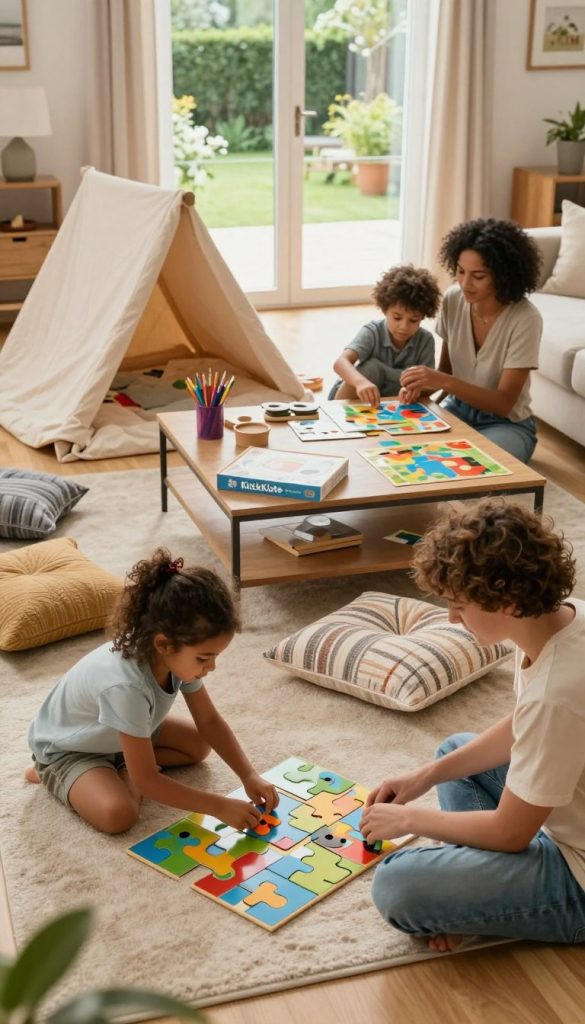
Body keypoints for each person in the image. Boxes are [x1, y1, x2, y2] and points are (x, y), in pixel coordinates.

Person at [361, 498, 585, 950]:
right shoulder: (568, 617)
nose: (450, 618)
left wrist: (409, 818)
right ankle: (487, 894)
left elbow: (509, 832)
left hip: (578, 877)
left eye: (458, 606)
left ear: (505, 599)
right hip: (566, 817)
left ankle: (492, 902)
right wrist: (424, 777)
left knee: (396, 886)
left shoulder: (557, 695)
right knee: (452, 753)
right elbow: (524, 723)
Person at [25, 548, 278, 834]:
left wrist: (249, 774)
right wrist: (218, 805)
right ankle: (60, 775)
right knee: (119, 815)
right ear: (163, 644)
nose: (212, 666)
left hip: (121, 730)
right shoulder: (126, 686)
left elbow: (208, 721)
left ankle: (126, 763)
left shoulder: (176, 658)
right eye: (205, 658)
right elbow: (148, 783)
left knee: (197, 745)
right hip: (69, 750)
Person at [399, 218, 543, 463]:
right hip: (458, 411)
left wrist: (441, 380)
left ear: (503, 275)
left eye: (478, 276)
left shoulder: (525, 319)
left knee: (472, 463)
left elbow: (503, 403)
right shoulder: (454, 299)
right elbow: (446, 372)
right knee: (404, 450)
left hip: (507, 424)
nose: (465, 283)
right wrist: (418, 386)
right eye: (460, 271)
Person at [328, 264, 441, 407]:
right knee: (372, 368)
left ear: (423, 317)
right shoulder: (373, 331)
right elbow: (341, 363)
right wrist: (361, 382)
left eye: (413, 320)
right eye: (397, 318)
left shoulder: (425, 340)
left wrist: (414, 390)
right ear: (384, 310)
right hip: (352, 398)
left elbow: (427, 382)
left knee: (414, 378)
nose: (404, 327)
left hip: (391, 405)